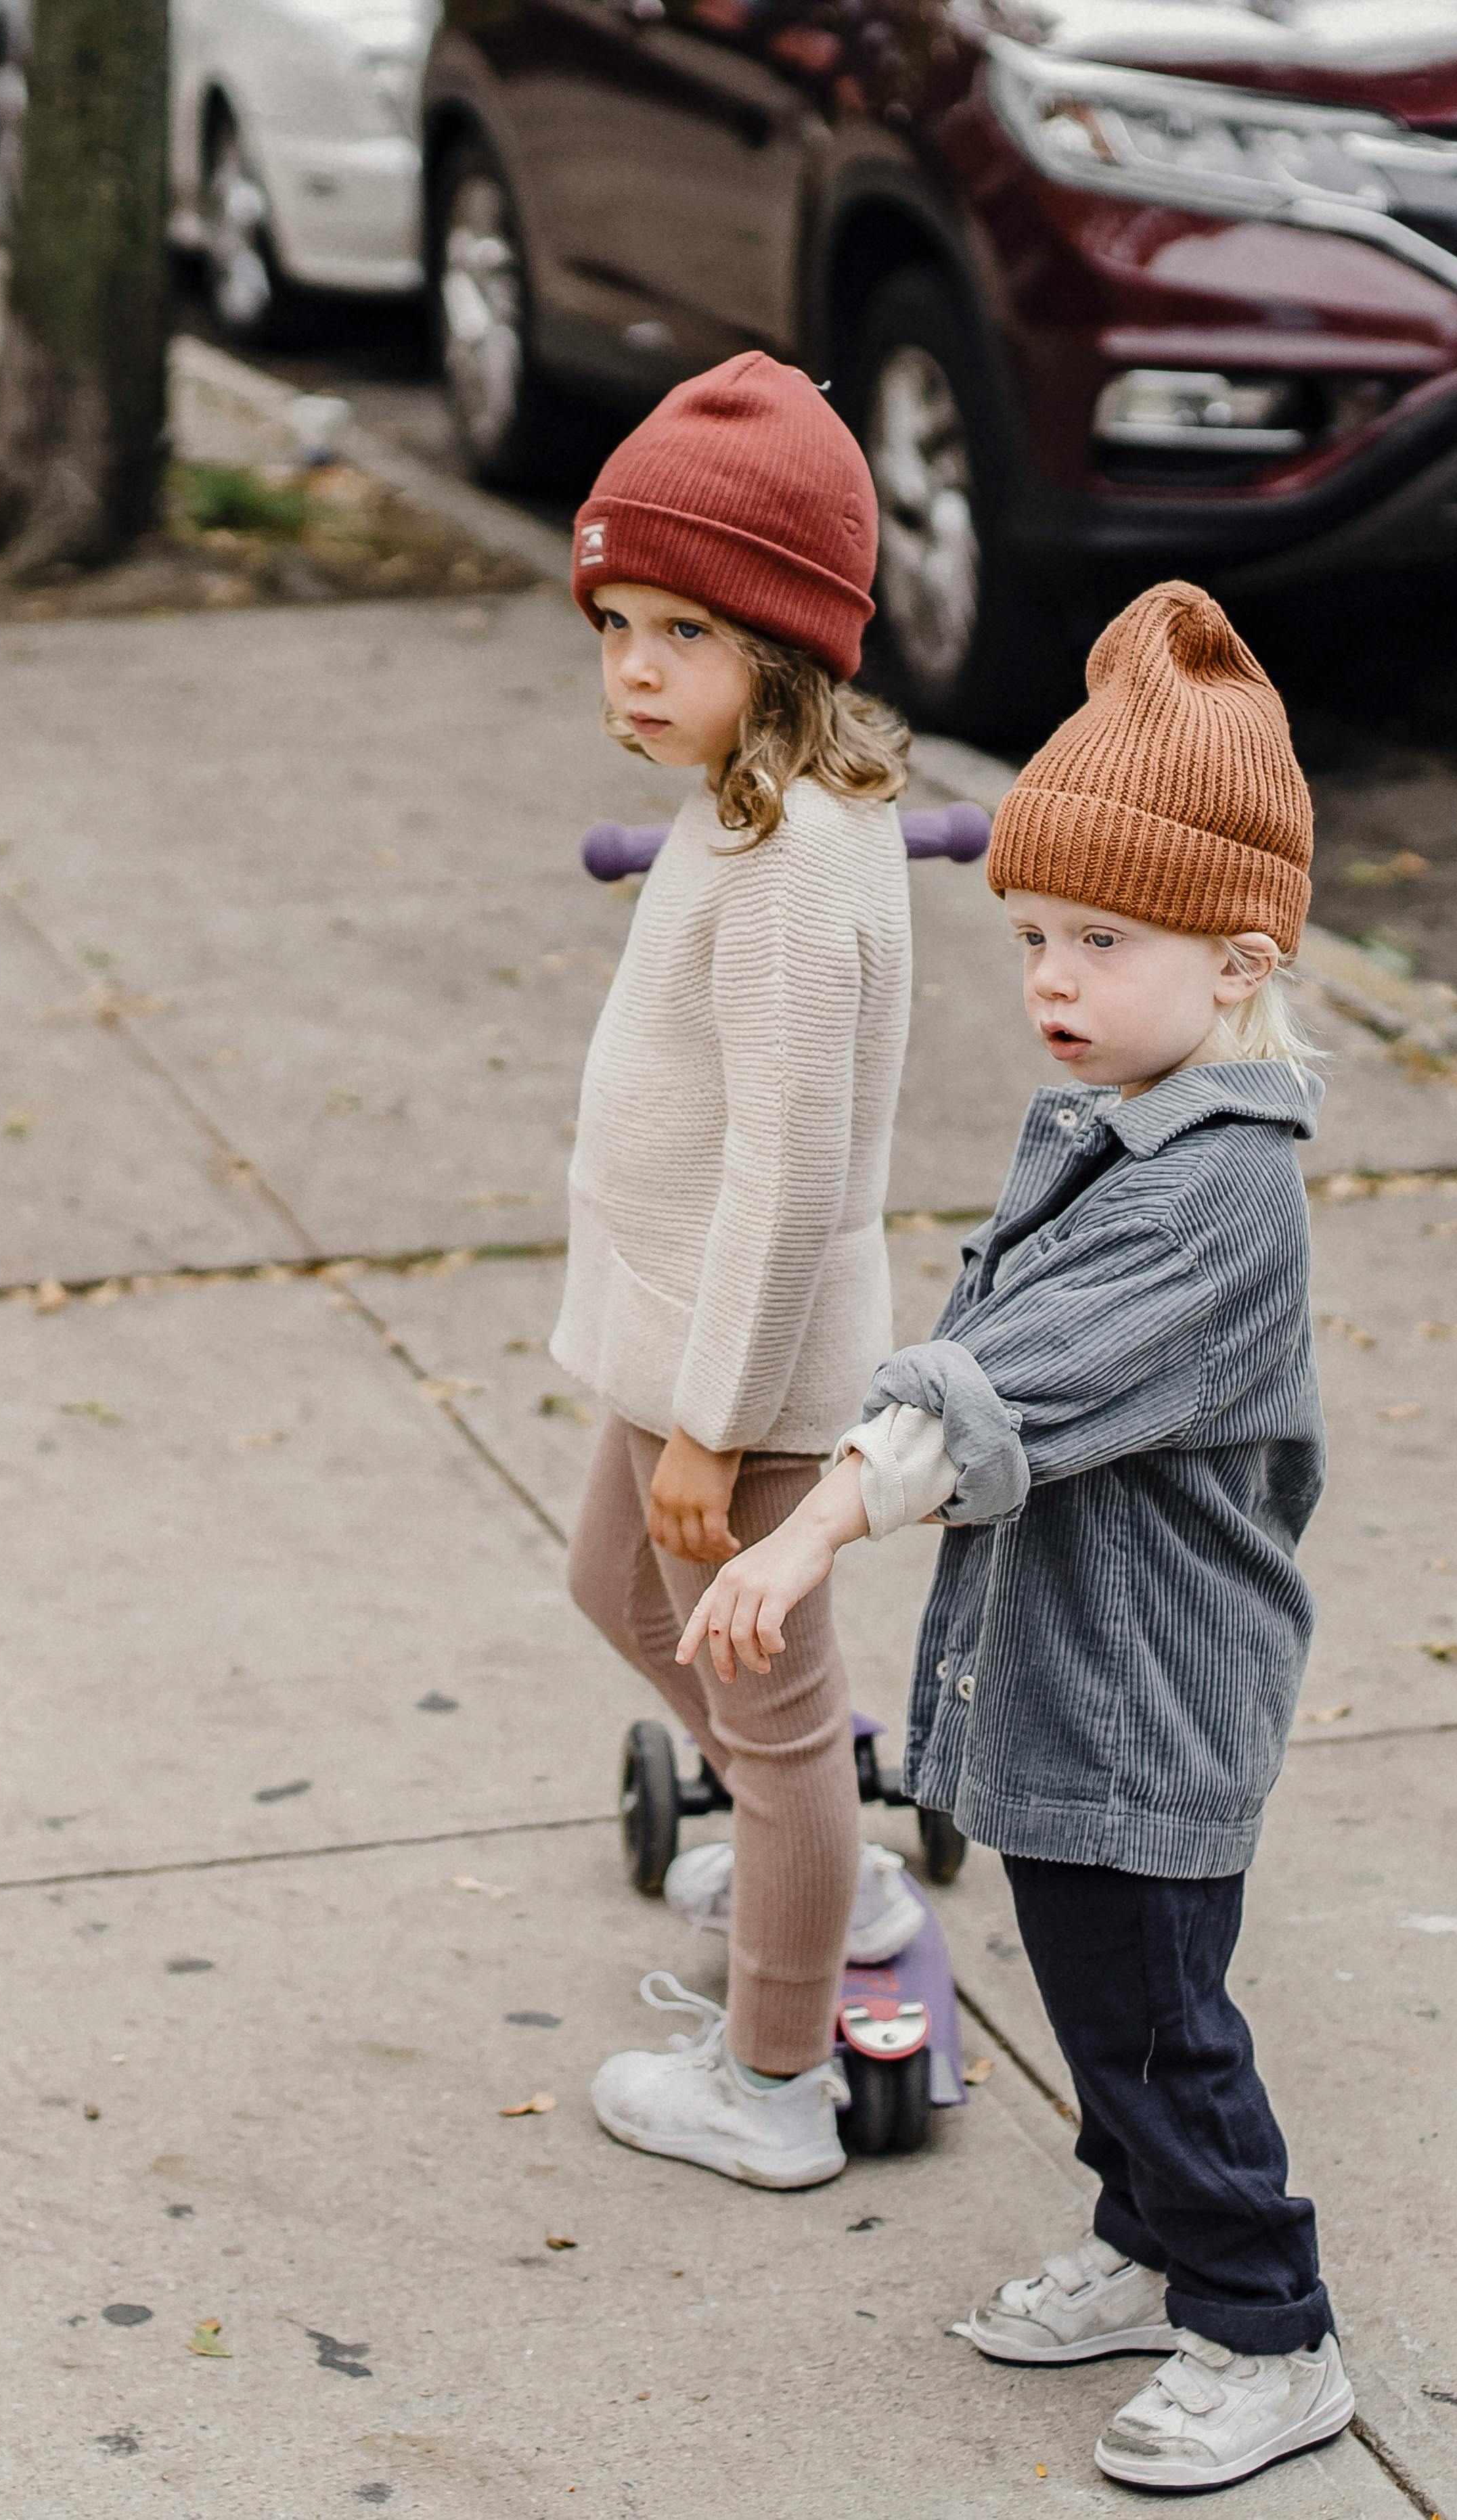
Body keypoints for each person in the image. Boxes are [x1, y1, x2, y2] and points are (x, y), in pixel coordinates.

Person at [675, 582, 1352, 2491]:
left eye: (1102, 938)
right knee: (1100, 2000)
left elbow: (995, 1397)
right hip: (1072, 1685)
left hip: (1145, 1705)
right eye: (1035, 935)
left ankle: (1264, 2321)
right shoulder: (1121, 1118)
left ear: (1238, 958)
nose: (1050, 976)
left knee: (1153, 2028)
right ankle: (1146, 2245)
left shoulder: (1211, 1198)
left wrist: (801, 1537)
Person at [546, 354, 920, 2193]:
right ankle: (813, 1843)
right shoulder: (741, 815)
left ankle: (773, 2080)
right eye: (612, 620)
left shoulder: (793, 870)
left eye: (679, 628)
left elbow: (782, 1178)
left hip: (744, 1373)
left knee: (767, 1718)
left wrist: (710, 1426)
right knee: (616, 1588)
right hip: (676, 1336)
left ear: (782, 646)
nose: (630, 666)